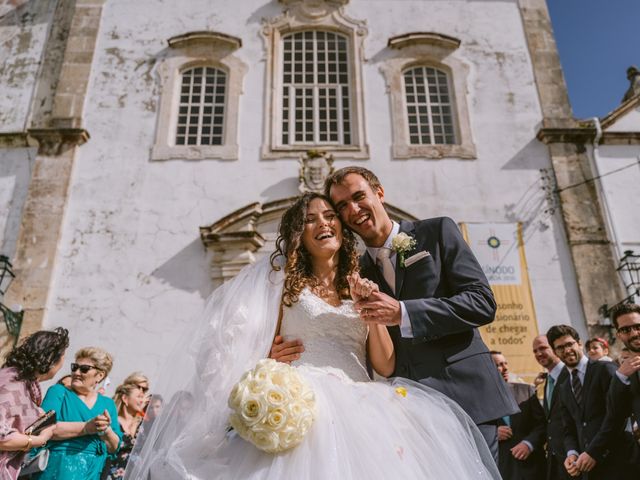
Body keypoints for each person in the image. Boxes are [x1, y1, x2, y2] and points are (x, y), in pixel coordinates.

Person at [125, 193, 500, 479]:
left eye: (329, 216)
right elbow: (241, 345)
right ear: (297, 233)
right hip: (300, 399)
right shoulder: (282, 285)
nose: (323, 223)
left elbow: (384, 364)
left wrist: (367, 310)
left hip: (363, 406)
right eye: (310, 219)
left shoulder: (360, 285)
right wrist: (265, 358)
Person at [314, 166, 518, 457]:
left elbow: (481, 302)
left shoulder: (436, 232)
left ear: (379, 193)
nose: (354, 209)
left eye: (359, 196)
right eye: (342, 206)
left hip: (466, 397)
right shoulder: (354, 271)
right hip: (408, 412)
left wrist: (404, 313)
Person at [547, 324, 632, 479]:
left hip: (619, 461)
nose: (566, 350)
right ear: (555, 352)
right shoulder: (564, 386)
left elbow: (618, 416)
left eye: (569, 344)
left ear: (579, 343)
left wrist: (594, 451)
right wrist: (571, 453)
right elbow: (569, 428)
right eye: (560, 348)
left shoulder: (605, 369)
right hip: (590, 470)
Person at [35, 347, 122, 480]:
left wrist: (106, 430)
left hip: (91, 471)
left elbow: (114, 447)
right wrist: (87, 427)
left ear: (100, 375)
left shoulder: (107, 404)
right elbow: (43, 427)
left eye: (84, 369)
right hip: (58, 468)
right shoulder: (59, 392)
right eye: (74, 367)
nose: (76, 372)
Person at [0, 328, 69, 479]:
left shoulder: (23, 383)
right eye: (62, 360)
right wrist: (38, 440)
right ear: (51, 361)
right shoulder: (12, 385)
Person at [491, 351, 546, 480]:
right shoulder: (478, 398)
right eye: (498, 365)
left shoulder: (526, 390)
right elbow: (471, 430)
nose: (505, 368)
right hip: (500, 469)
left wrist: (529, 443)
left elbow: (542, 424)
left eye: (505, 363)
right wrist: (493, 433)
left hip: (532, 468)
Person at [531, 334, 569, 480]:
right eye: (535, 351)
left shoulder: (570, 373)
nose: (538, 353)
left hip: (575, 456)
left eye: (543, 348)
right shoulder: (546, 381)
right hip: (556, 461)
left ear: (554, 348)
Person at [607, 304, 640, 467]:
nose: (634, 333)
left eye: (638, 327)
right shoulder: (623, 373)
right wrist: (621, 376)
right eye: (626, 330)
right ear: (619, 335)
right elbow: (614, 414)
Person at [101, 383, 146, 480]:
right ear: (125, 399)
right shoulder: (112, 422)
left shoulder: (143, 425)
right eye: (139, 397)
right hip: (112, 474)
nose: (142, 401)